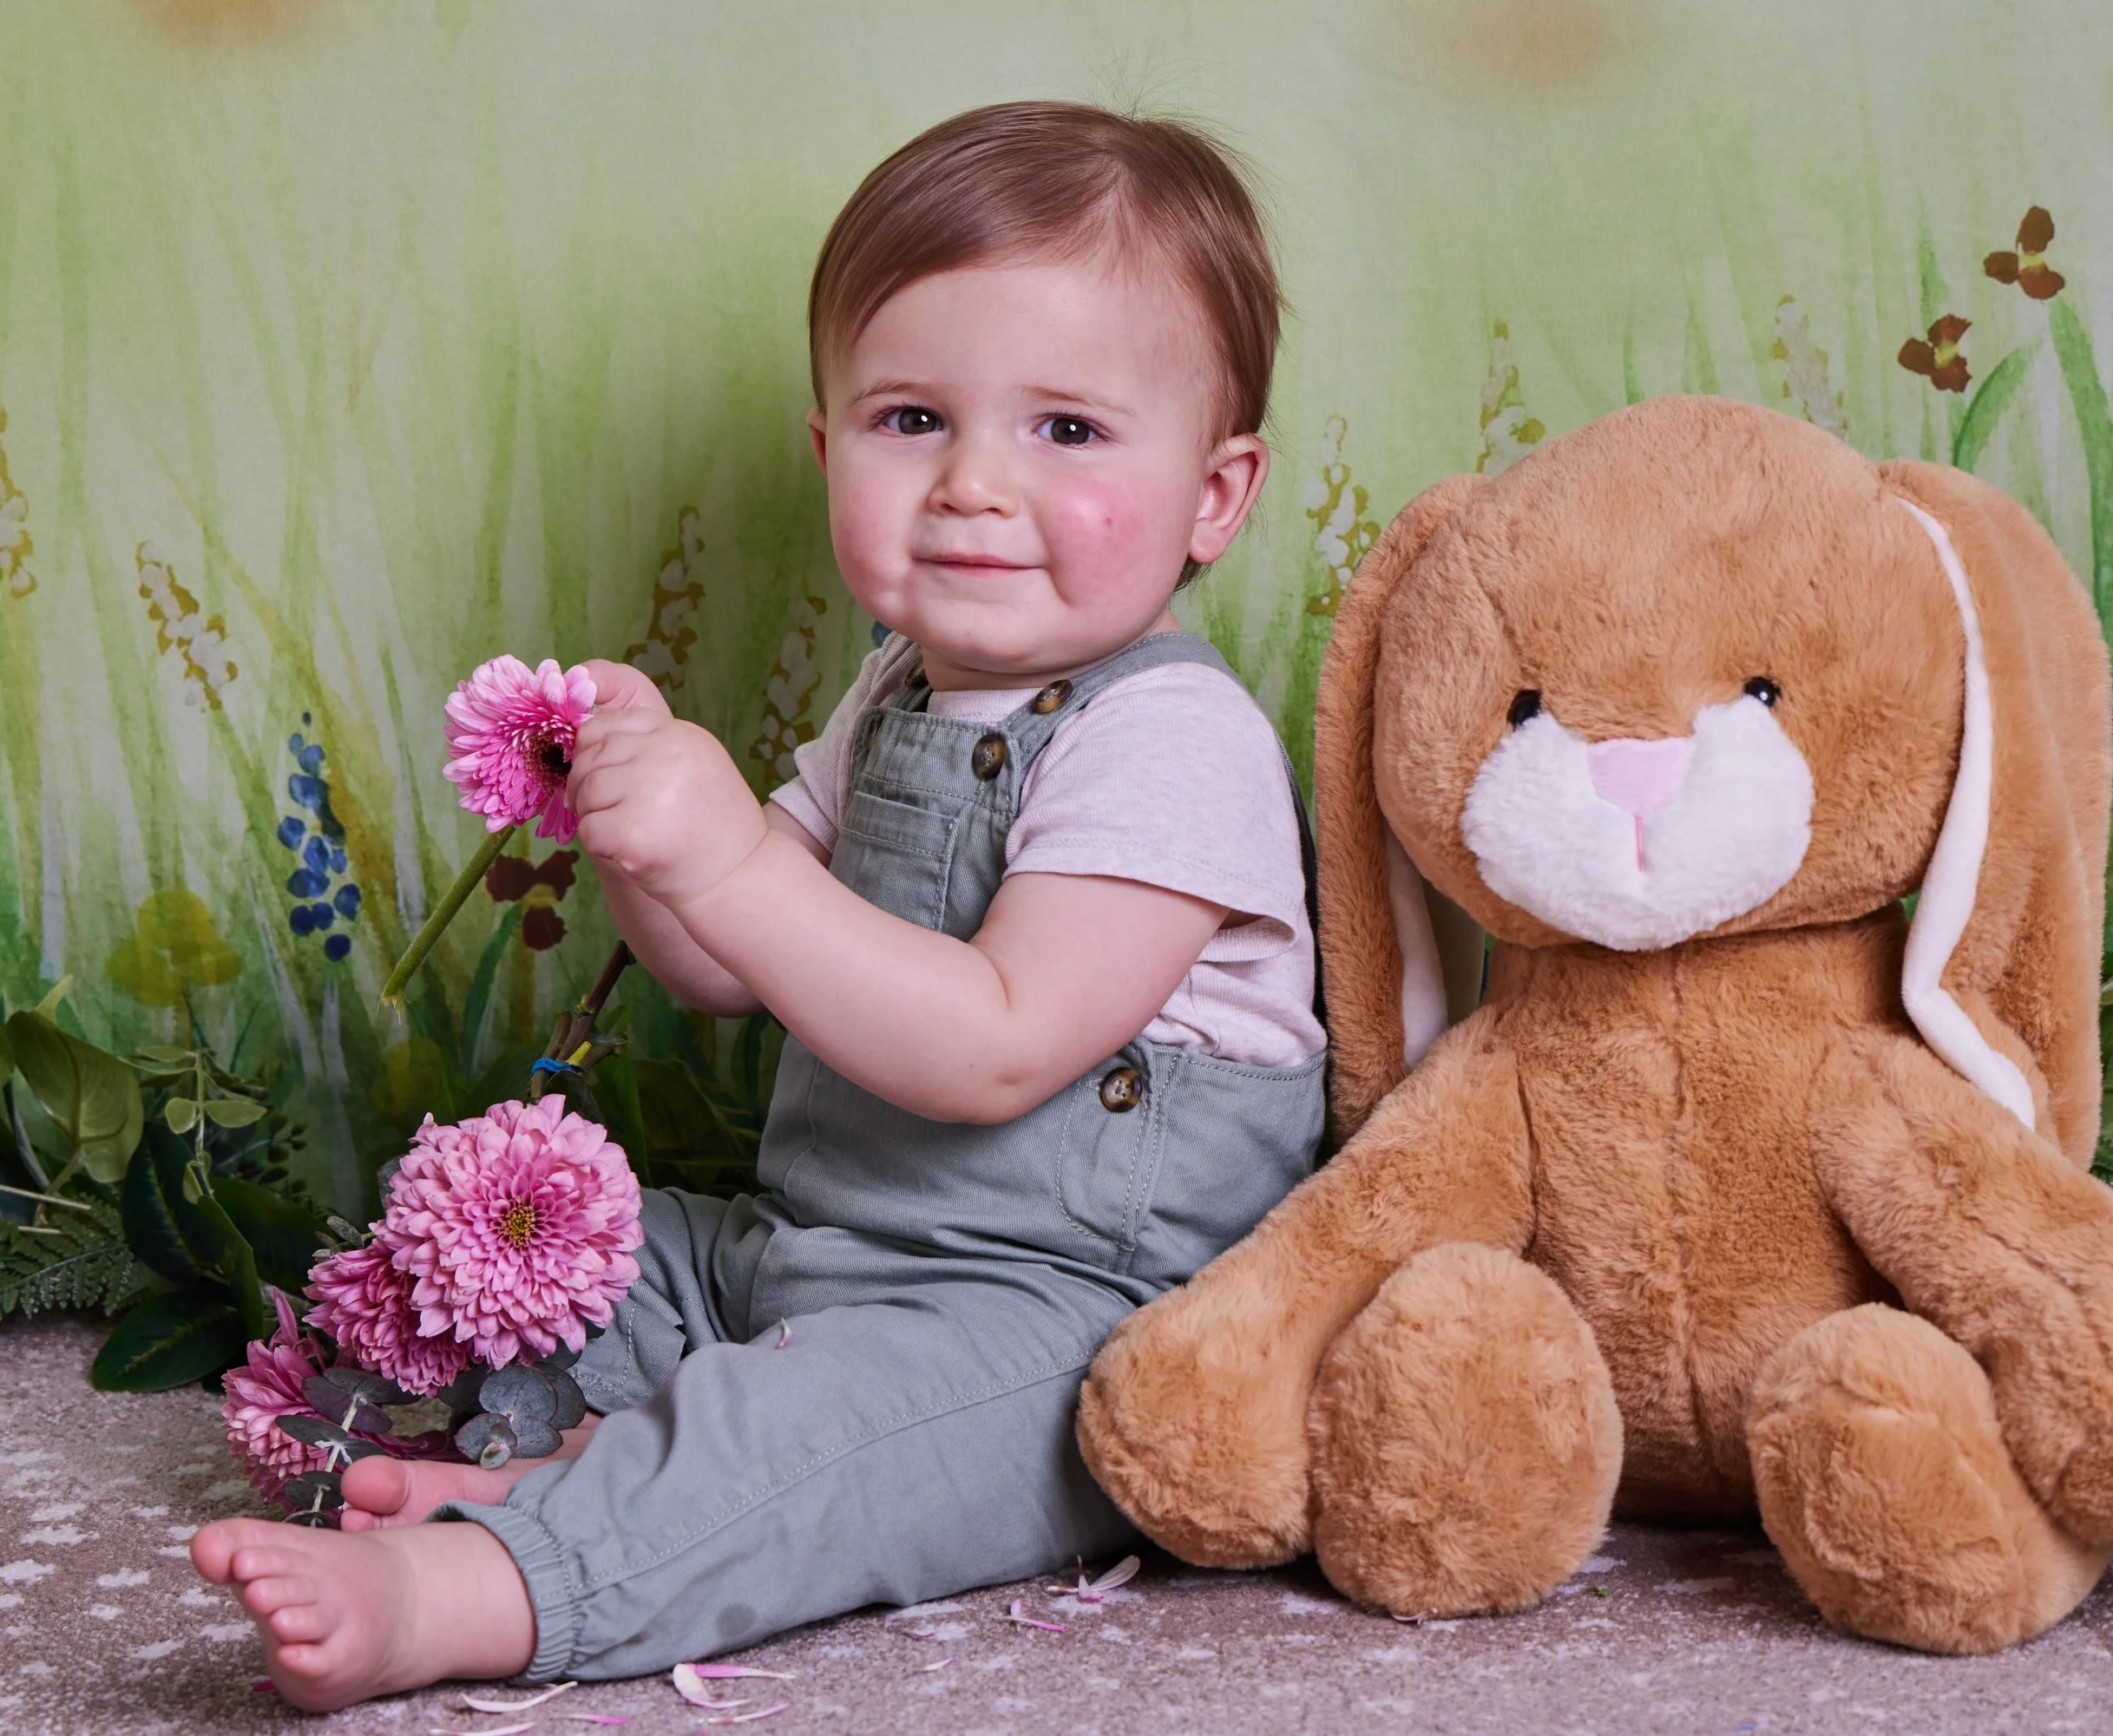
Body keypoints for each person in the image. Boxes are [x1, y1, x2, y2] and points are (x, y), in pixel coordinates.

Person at [191, 99, 1326, 1709]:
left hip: (1066, 1324)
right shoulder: (898, 693)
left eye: (1068, 431)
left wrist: (727, 855)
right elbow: (727, 972)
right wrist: (651, 838)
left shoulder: (1173, 740)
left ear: (1215, 497)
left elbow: (996, 1049)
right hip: (810, 1247)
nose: (975, 488)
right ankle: (570, 1463)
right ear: (829, 449)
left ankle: (475, 1587)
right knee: (565, 1263)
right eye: (913, 420)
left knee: (809, 1439)